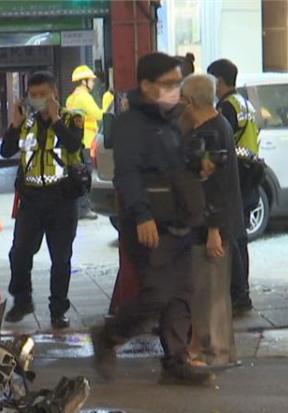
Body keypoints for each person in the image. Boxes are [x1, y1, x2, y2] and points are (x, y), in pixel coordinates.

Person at [92, 52, 212, 385]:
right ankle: (109, 335)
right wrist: (142, 216)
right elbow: (127, 174)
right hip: (149, 224)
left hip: (178, 222)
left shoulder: (171, 120)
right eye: (169, 83)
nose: (176, 89)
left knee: (181, 293)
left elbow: (175, 165)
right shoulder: (132, 125)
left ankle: (175, 361)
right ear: (146, 86)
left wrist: (197, 163)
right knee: (157, 293)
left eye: (178, 83)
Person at [0, 71, 85, 329]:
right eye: (33, 95)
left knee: (61, 259)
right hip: (31, 201)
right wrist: (14, 124)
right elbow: (5, 151)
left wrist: (56, 119)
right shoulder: (26, 123)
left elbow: (73, 146)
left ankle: (58, 310)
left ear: (55, 94)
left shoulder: (73, 119)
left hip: (62, 200)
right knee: (19, 254)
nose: (38, 100)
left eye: (43, 95)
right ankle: (22, 300)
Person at [180, 74, 246, 367]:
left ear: (191, 101)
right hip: (209, 223)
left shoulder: (211, 134)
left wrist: (213, 231)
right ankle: (201, 348)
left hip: (211, 225)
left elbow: (215, 186)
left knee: (211, 294)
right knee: (205, 292)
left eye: (183, 100)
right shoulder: (216, 127)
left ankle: (214, 353)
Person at [207, 58, 261, 315]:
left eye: (211, 81)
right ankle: (243, 291)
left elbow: (220, 140)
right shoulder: (245, 103)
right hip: (251, 172)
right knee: (241, 237)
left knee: (232, 236)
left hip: (236, 174)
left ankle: (239, 294)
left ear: (219, 81)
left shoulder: (226, 107)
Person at [65, 65, 101, 221]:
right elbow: (98, 114)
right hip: (86, 141)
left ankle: (81, 207)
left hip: (77, 141)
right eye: (91, 80)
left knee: (78, 174)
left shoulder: (71, 98)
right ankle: (84, 208)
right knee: (86, 176)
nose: (93, 82)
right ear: (84, 81)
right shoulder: (84, 97)